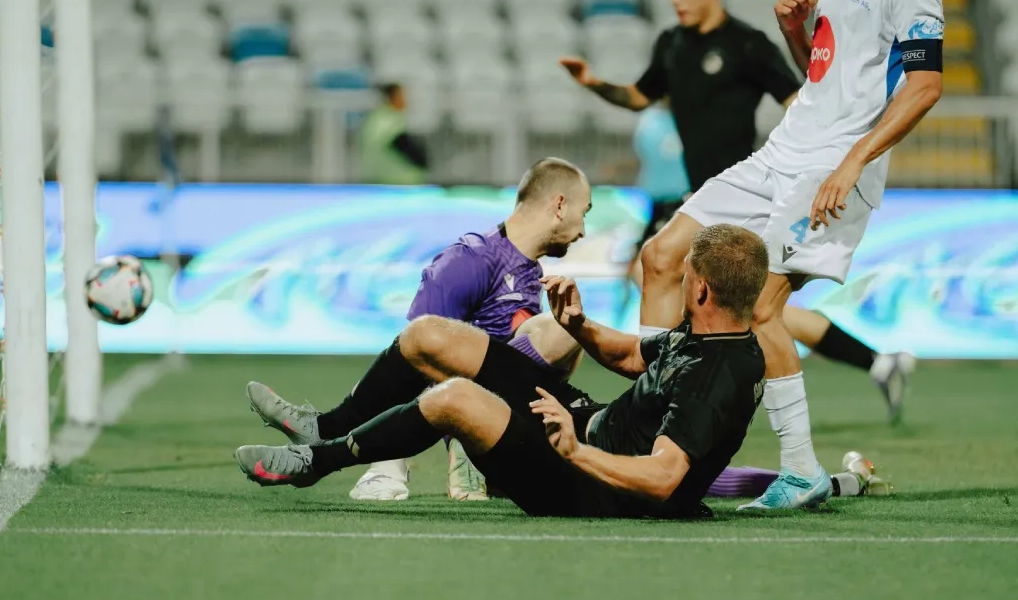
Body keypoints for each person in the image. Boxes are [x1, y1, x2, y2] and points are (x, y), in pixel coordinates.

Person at [626, 0, 945, 510]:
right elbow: (821, 78)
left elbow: (925, 84)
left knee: (762, 306)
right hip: (780, 153)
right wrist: (796, 33)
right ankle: (649, 432)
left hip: (829, 166)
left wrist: (852, 163)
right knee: (660, 258)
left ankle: (800, 471)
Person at [564, 0, 916, 421]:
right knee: (721, 298)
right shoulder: (672, 45)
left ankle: (666, 405)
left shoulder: (747, 44)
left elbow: (802, 101)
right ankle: (874, 362)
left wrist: (807, 168)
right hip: (701, 199)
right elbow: (638, 96)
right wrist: (591, 83)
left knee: (729, 300)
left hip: (748, 199)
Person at [234, 225, 776, 520]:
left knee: (454, 399)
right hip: (587, 425)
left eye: (685, 277)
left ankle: (315, 461)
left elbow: (663, 480)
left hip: (589, 485)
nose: (680, 283)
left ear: (701, 288)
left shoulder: (718, 375)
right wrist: (579, 325)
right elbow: (635, 357)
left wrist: (574, 452)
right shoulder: (711, 330)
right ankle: (325, 425)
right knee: (430, 334)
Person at [346, 157, 594, 501]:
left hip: (506, 418)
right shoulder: (470, 258)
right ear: (560, 205)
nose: (584, 229)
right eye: (586, 211)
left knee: (569, 327)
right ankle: (400, 462)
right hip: (455, 405)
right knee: (561, 329)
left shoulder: (532, 273)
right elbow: (412, 354)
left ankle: (492, 458)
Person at [358, 83, 429, 185]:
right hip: (394, 182)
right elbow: (403, 145)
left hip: (378, 181)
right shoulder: (387, 120)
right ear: (393, 97)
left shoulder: (375, 118)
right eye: (402, 95)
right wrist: (422, 165)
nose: (406, 100)